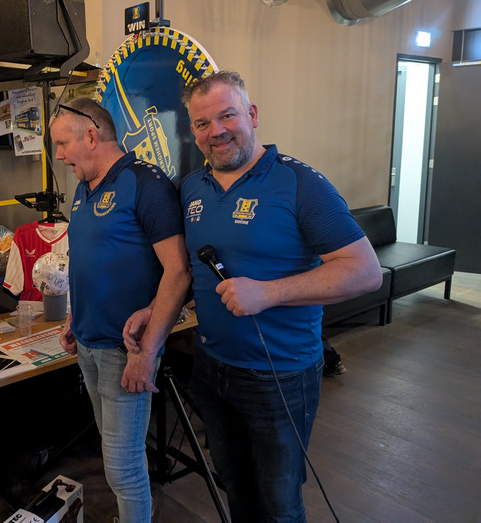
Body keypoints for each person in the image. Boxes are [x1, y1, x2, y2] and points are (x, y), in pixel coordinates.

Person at [179, 71, 381, 522]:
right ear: (193, 130)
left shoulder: (300, 183)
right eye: (203, 123)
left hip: (280, 377)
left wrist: (268, 293)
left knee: (279, 505)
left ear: (251, 115)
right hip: (210, 367)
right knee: (235, 488)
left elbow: (365, 272)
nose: (217, 131)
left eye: (227, 116)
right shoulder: (192, 187)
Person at [50, 98, 190, 522]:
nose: (59, 155)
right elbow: (92, 260)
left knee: (123, 468)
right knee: (114, 456)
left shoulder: (146, 184)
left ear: (92, 136)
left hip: (124, 351)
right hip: (87, 344)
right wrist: (76, 317)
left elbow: (178, 271)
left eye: (62, 144)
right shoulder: (84, 187)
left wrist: (146, 352)